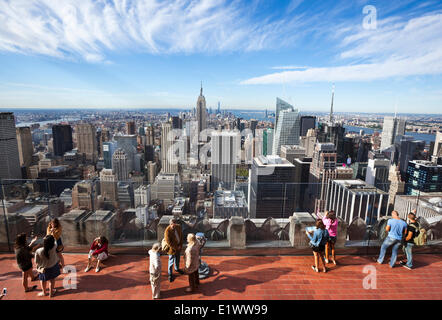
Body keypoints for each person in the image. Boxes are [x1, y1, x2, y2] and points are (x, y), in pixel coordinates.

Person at [164, 218, 184, 282]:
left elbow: (181, 237)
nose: (173, 225)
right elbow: (168, 242)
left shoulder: (178, 227)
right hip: (172, 249)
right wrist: (176, 247)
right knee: (171, 261)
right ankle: (170, 274)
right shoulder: (167, 230)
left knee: (177, 259)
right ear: (170, 224)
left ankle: (177, 268)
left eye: (174, 224)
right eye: (171, 224)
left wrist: (180, 245)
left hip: (178, 247)